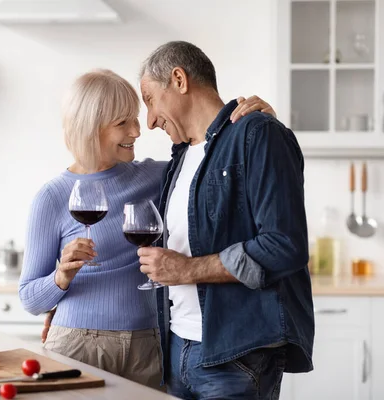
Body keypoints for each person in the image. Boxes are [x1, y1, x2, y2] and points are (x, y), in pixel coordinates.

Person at [19, 68, 276, 390]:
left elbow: (222, 164)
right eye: (122, 123)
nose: (137, 131)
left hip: (150, 345)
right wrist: (61, 278)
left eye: (135, 119)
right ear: (90, 128)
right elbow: (29, 298)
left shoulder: (157, 175)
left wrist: (260, 123)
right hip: (77, 343)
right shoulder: (52, 196)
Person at [137, 41, 314, 399]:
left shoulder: (259, 134)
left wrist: (186, 270)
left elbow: (284, 246)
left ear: (179, 80)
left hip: (237, 353)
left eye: (150, 100)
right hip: (178, 348)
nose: (150, 120)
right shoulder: (180, 158)